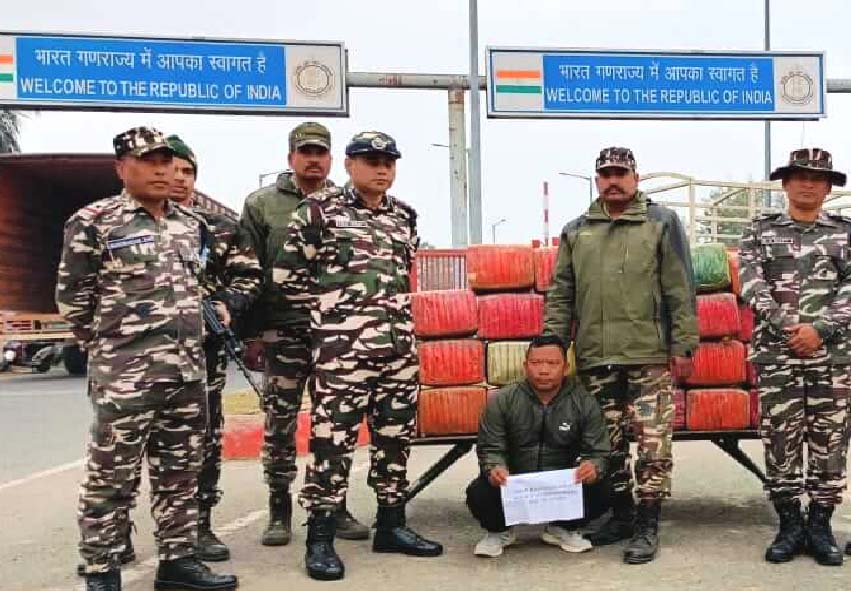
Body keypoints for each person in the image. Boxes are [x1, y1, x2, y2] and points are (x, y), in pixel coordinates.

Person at [56, 126, 237, 591]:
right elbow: (74, 300)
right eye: (148, 161)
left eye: (166, 161)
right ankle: (102, 569)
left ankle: (178, 562)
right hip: (126, 377)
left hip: (187, 373)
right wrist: (111, 351)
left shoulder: (190, 225)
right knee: (111, 477)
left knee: (181, 474)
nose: (161, 171)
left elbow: (196, 287)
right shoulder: (94, 222)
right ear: (122, 168)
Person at [273, 131, 443, 581]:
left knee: (395, 439)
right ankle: (320, 538)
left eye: (389, 161)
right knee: (332, 445)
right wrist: (332, 320)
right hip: (342, 355)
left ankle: (392, 524)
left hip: (397, 350)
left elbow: (401, 276)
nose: (381, 168)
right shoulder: (318, 212)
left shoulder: (404, 216)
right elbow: (287, 278)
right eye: (371, 161)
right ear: (349, 165)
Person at [543, 146, 698, 564]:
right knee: (604, 444)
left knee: (652, 443)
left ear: (635, 178)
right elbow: (561, 293)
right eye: (606, 174)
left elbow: (680, 287)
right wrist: (553, 343)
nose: (614, 181)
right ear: (597, 180)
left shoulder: (661, 222)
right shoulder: (577, 230)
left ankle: (648, 524)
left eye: (621, 174)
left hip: (649, 355)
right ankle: (622, 515)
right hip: (596, 355)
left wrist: (683, 344)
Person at [240, 122, 369, 546]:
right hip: (284, 331)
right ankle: (279, 509)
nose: (314, 160)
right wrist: (252, 333)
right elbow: (248, 270)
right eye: (305, 152)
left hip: (335, 334)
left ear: (332, 159)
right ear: (290, 157)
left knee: (336, 424)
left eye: (321, 153)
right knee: (280, 423)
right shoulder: (261, 205)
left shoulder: (348, 203)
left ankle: (334, 506)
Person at [739, 148, 851, 567]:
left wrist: (820, 329)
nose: (807, 183)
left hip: (832, 356)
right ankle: (789, 524)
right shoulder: (760, 231)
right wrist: (790, 327)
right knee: (780, 439)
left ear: (828, 188)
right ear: (785, 183)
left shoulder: (845, 233)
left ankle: (820, 526)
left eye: (817, 178)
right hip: (777, 355)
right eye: (799, 176)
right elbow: (750, 283)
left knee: (830, 441)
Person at [167, 134, 263, 561]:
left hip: (202, 355)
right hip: (137, 361)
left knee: (204, 440)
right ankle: (117, 534)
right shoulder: (120, 223)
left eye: (187, 171)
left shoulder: (218, 228)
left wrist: (227, 303)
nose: (178, 178)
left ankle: (200, 526)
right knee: (128, 447)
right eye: (171, 169)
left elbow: (249, 275)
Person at [466, 335, 610, 558]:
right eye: (536, 363)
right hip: (515, 482)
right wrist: (495, 468)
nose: (543, 370)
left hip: (560, 485)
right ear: (525, 366)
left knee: (604, 489)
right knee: (478, 493)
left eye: (552, 363)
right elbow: (490, 447)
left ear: (566, 368)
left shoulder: (584, 402)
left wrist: (593, 467)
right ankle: (499, 532)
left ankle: (562, 529)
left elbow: (598, 451)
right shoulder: (503, 400)